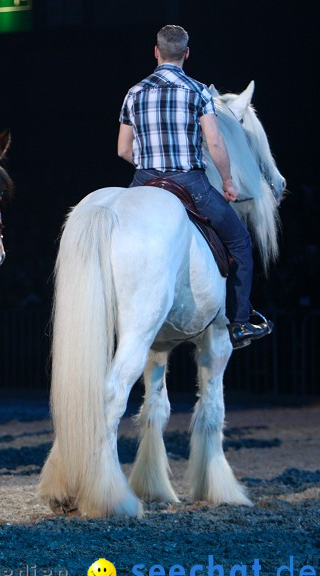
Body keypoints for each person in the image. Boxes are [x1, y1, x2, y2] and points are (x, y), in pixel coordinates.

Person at [117, 25, 273, 349]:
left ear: (156, 51)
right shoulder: (198, 91)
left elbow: (122, 149)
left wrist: (150, 164)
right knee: (241, 244)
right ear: (186, 53)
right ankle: (240, 323)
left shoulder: (134, 92)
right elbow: (214, 143)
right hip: (190, 183)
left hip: (144, 180)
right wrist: (228, 183)